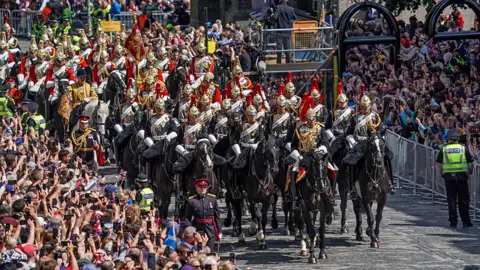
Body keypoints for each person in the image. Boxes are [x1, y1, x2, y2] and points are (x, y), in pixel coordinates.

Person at [435, 129, 474, 228]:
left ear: (449, 138)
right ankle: (466, 221)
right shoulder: (463, 148)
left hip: (449, 177)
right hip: (462, 176)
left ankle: (453, 221)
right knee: (464, 199)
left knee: (451, 199)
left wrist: (441, 175)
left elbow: (438, 164)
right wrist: (469, 173)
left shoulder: (444, 149)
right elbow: (470, 163)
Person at [185, 178, 222, 250]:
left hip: (210, 230)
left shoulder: (212, 199)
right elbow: (187, 218)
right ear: (196, 188)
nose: (203, 188)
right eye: (200, 187)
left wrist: (219, 231)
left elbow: (217, 217)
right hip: (198, 230)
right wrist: (189, 231)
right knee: (199, 250)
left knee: (210, 251)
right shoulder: (192, 201)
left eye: (204, 187)